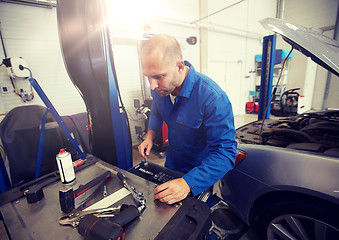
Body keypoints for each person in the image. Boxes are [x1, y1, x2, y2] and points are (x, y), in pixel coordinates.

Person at [138, 34, 237, 204]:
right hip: (171, 166)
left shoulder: (212, 98)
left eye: (158, 76)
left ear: (179, 66)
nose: (152, 86)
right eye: (148, 76)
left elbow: (226, 152)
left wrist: (187, 183)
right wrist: (150, 135)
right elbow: (156, 112)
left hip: (198, 176)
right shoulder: (161, 90)